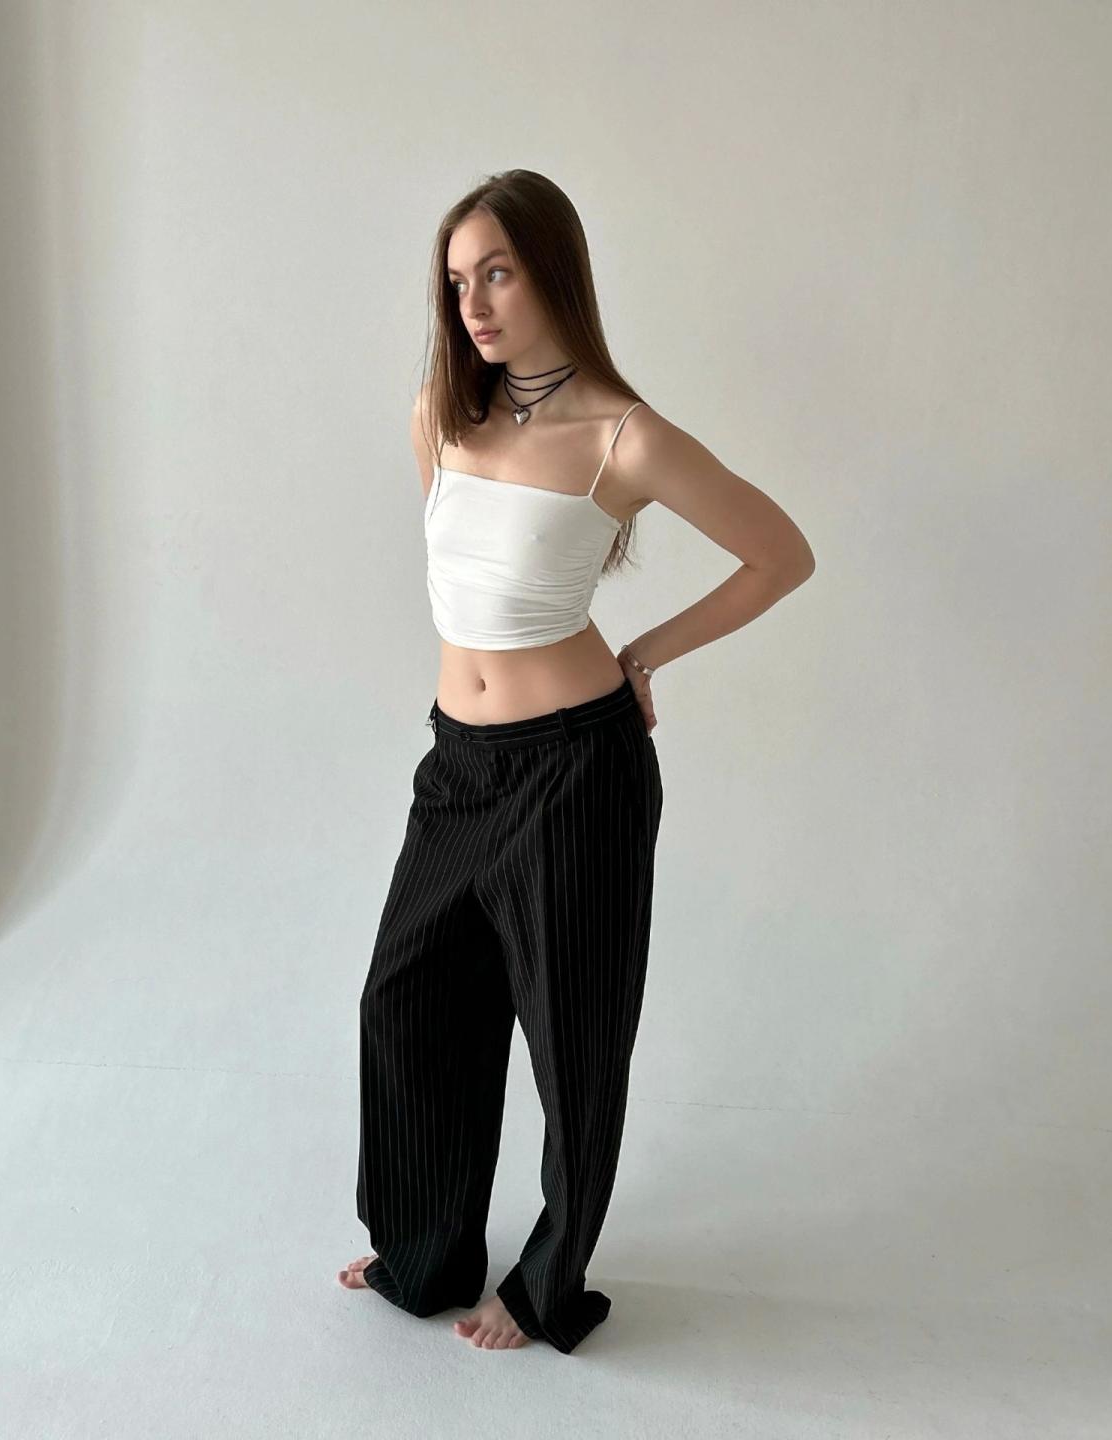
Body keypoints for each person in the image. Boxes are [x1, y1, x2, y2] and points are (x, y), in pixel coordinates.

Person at [340, 169, 817, 1353]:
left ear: (554, 270)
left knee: (571, 1041)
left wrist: (647, 652)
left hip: (574, 772)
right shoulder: (440, 416)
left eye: (497, 273)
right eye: (458, 281)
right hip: (459, 766)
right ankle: (424, 1248)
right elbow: (466, 593)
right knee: (404, 1001)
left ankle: (546, 1283)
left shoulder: (622, 436)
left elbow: (780, 554)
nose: (474, 306)